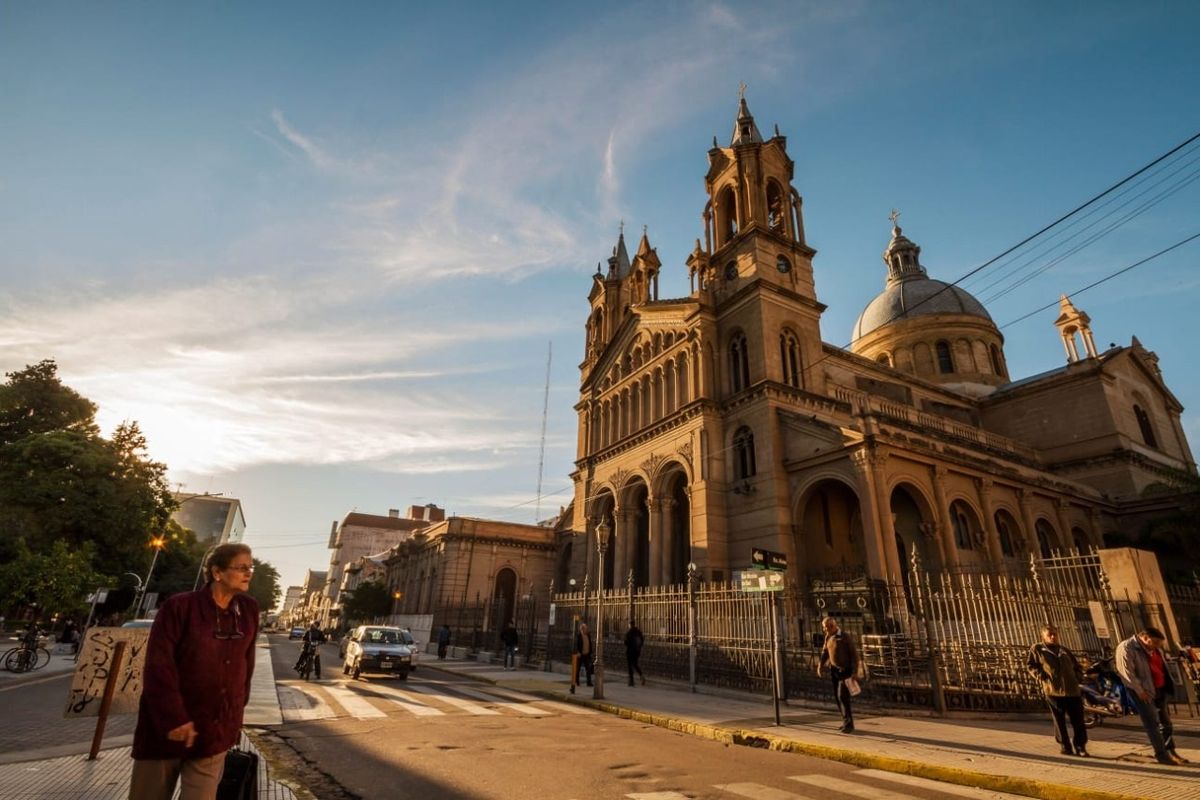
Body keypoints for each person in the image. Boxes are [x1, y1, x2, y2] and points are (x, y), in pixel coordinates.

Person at [129, 542, 259, 800]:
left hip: (214, 732)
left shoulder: (248, 609)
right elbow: (159, 665)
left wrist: (234, 719)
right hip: (167, 730)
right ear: (217, 572)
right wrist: (173, 717)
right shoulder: (179, 607)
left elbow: (246, 665)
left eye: (250, 568)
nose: (248, 573)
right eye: (241, 567)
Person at [1116, 627, 1187, 765]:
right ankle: (1162, 755)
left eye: (1159, 644)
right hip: (1144, 692)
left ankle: (1170, 750)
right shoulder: (1126, 647)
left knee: (1166, 723)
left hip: (1159, 690)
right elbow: (1127, 673)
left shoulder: (1155, 649)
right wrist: (1140, 691)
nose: (1157, 646)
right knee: (1152, 724)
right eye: (1154, 642)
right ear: (1145, 637)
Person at [1027, 625, 1088, 756]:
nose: (1053, 637)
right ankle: (1065, 746)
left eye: (1054, 634)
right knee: (1059, 721)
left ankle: (1080, 746)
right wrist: (1042, 677)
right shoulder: (1038, 649)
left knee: (1078, 720)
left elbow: (1076, 666)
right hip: (1053, 691)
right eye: (1049, 635)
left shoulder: (1064, 650)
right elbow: (1031, 666)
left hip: (1072, 690)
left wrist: (1078, 677)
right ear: (1043, 636)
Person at [817, 617, 859, 734]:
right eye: (824, 628)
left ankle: (849, 725)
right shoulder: (828, 637)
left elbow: (854, 655)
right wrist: (820, 665)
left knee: (843, 696)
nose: (825, 630)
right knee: (837, 697)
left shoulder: (845, 637)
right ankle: (845, 721)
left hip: (845, 670)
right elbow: (825, 652)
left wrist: (855, 672)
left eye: (826, 627)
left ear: (833, 626)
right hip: (834, 671)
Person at [570, 622, 594, 694]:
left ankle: (589, 682)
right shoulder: (579, 636)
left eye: (586, 628)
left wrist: (590, 652)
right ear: (582, 629)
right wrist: (578, 652)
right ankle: (577, 681)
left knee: (588, 669)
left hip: (586, 654)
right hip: (580, 655)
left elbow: (590, 644)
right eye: (585, 628)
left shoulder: (588, 635)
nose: (586, 629)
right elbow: (576, 644)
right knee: (578, 669)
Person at [625, 620, 645, 687]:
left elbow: (626, 642)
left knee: (630, 666)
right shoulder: (638, 632)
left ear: (630, 625)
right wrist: (639, 647)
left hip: (630, 652)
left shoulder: (629, 632)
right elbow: (642, 640)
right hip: (637, 651)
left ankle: (631, 681)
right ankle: (641, 675)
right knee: (635, 664)